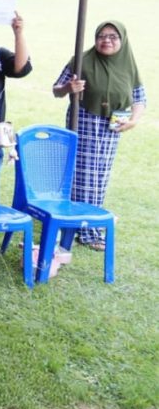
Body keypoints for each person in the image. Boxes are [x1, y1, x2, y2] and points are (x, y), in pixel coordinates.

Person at [52, 22, 146, 249]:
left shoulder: (128, 64)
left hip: (112, 128)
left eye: (113, 36)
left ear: (122, 40)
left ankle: (85, 222)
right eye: (101, 36)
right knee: (82, 176)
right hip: (83, 122)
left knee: (99, 178)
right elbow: (56, 89)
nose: (106, 40)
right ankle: (85, 229)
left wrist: (133, 120)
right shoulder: (81, 60)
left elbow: (139, 97)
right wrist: (69, 88)